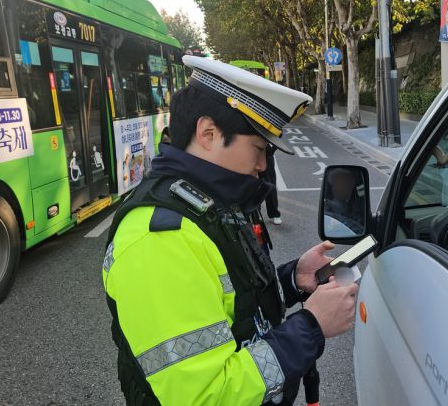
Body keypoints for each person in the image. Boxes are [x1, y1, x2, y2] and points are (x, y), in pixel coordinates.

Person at [102, 56, 359, 406]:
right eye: (257, 148)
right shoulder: (160, 240)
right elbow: (204, 395)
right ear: (208, 133)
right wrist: (311, 326)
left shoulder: (210, 203)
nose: (263, 166)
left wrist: (292, 280)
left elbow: (232, 306)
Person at [323, 168, 365, 234]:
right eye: (340, 183)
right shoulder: (327, 210)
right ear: (332, 186)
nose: (345, 187)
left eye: (349, 184)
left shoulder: (353, 207)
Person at [259, 146, 282, 225]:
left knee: (270, 185)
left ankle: (274, 213)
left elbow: (279, 134)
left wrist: (271, 150)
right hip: (250, 153)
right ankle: (255, 213)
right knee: (251, 185)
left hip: (266, 155)